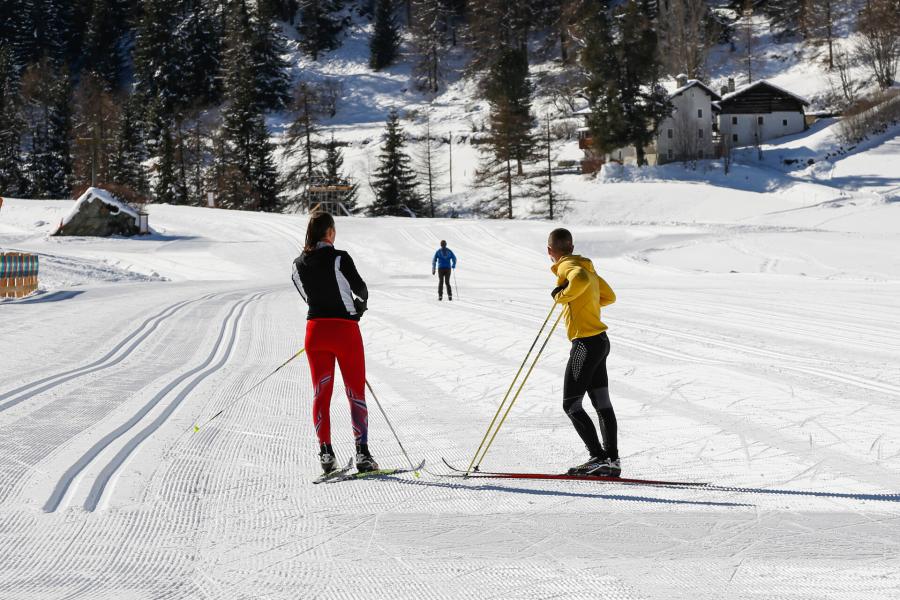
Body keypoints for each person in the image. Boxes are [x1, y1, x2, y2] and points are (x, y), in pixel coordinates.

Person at [292, 213, 378, 475]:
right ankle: (362, 453)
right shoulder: (340, 257)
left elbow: (307, 297)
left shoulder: (298, 264)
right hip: (345, 331)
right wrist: (358, 309)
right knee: (354, 391)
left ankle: (326, 453)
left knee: (321, 393)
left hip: (315, 333)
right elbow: (360, 289)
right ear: (329, 232)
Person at [547, 228, 620, 476]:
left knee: (571, 404)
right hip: (600, 342)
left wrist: (563, 295)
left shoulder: (568, 266)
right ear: (571, 245)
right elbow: (609, 296)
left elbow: (578, 280)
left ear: (550, 252)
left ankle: (597, 457)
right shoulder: (587, 265)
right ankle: (612, 460)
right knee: (602, 402)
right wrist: (584, 301)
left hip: (585, 345)